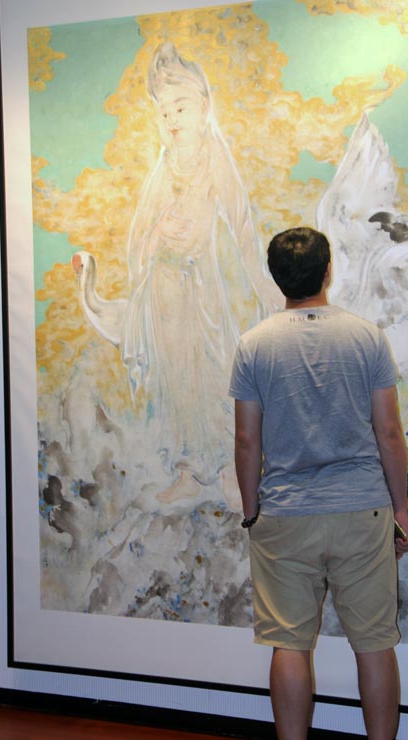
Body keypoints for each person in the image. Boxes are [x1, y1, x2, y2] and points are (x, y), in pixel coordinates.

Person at [229, 226, 408, 740]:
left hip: (285, 514)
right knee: (374, 643)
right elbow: (389, 432)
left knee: (289, 644)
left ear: (276, 278)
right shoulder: (366, 337)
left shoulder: (253, 345)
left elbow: (246, 440)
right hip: (362, 511)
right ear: (327, 271)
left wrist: (251, 511)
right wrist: (400, 509)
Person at [119, 42, 282, 502]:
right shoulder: (164, 166)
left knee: (217, 372)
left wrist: (266, 288)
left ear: (204, 108)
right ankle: (189, 470)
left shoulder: (213, 157)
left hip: (207, 287)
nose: (172, 119)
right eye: (163, 110)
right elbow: (139, 237)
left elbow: (242, 225)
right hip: (165, 292)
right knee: (178, 381)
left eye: (181, 107)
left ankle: (231, 470)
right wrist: (157, 234)